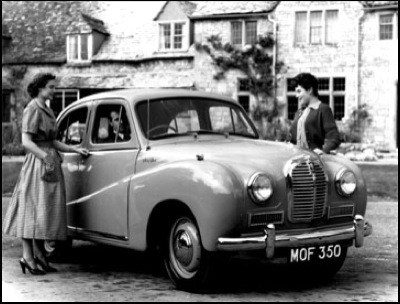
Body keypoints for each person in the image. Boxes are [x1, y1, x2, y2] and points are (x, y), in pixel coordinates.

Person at [2, 73, 89, 275]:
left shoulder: (47, 109)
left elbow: (52, 141)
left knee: (46, 211)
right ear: (40, 88)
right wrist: (45, 157)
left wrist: (74, 150)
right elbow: (26, 142)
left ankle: (40, 256)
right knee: (32, 209)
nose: (54, 90)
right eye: (51, 87)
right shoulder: (33, 108)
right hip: (39, 163)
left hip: (50, 162)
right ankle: (28, 257)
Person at [289, 73, 341, 154]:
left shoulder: (323, 109)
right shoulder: (299, 113)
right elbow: (291, 139)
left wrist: (323, 151)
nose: (296, 95)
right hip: (298, 160)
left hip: (316, 162)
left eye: (299, 91)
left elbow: (334, 137)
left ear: (309, 90)